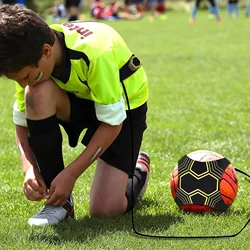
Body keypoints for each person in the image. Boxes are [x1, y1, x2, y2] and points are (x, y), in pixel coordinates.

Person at [0, 4, 150, 226]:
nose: (22, 85)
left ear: (47, 52)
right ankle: (59, 204)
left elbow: (112, 123)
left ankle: (138, 170)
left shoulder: (97, 53)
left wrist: (71, 174)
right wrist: (29, 168)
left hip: (124, 109)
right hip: (79, 99)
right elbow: (21, 122)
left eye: (26, 76)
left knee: (104, 210)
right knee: (37, 92)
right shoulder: (29, 48)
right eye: (16, 80)